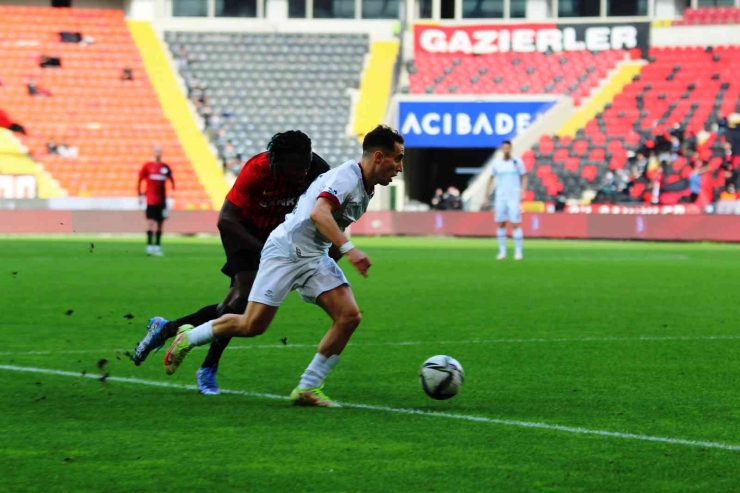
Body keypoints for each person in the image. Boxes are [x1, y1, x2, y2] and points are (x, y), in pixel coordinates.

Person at [160, 125, 404, 407]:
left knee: (349, 317)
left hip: (313, 256)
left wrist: (333, 262)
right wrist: (350, 250)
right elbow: (319, 212)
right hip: (286, 252)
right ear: (378, 156)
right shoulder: (346, 178)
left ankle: (308, 388)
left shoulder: (366, 185)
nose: (399, 166)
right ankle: (188, 337)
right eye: (397, 158)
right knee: (252, 325)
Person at [132, 131, 331, 395]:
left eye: (305, 167)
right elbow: (225, 219)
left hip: (277, 234)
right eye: (295, 169)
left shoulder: (318, 172)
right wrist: (264, 251)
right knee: (244, 297)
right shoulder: (256, 170)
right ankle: (207, 368)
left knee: (233, 306)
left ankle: (168, 329)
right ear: (277, 163)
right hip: (242, 231)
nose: (301, 174)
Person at [484, 140, 527, 260]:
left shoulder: (517, 162)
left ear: (511, 149)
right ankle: (502, 251)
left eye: (508, 148)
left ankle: (518, 252)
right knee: (501, 223)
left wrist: (522, 191)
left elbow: (524, 176)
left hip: (513, 197)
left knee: (515, 224)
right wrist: (486, 196)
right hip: (500, 197)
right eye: (504, 148)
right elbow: (491, 179)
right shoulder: (496, 163)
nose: (506, 150)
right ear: (502, 149)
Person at [137, 147, 175, 256]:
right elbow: (140, 180)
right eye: (156, 152)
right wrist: (140, 195)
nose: (158, 153)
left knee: (160, 224)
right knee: (150, 223)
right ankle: (149, 246)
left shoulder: (165, 167)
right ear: (154, 153)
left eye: (160, 152)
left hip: (162, 201)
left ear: (161, 153)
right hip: (150, 200)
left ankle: (157, 247)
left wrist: (172, 193)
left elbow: (172, 181)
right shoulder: (148, 166)